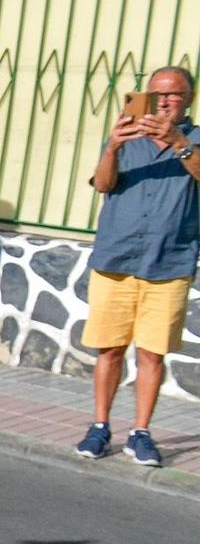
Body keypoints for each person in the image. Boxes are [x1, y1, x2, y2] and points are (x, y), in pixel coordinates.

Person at [73, 66, 198, 468]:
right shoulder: (126, 138)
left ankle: (140, 432)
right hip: (116, 259)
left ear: (189, 99)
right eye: (157, 94)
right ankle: (99, 426)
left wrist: (178, 142)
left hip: (169, 262)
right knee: (109, 350)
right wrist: (111, 147)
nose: (163, 102)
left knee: (152, 354)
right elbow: (105, 185)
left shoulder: (194, 140)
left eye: (174, 95)